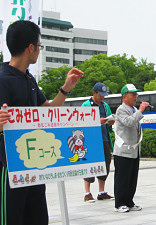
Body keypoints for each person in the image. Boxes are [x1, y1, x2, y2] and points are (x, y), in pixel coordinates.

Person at [0, 20, 83, 225]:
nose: (39, 50)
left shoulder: (29, 80)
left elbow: (46, 109)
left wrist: (65, 88)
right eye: (39, 46)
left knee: (37, 218)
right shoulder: (2, 79)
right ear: (31, 48)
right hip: (9, 167)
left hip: (34, 167)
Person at [113, 84, 149, 213]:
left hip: (133, 151)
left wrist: (137, 111)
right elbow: (129, 122)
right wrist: (140, 111)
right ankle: (119, 203)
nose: (135, 96)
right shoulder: (121, 109)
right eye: (132, 94)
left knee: (132, 178)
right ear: (124, 96)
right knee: (122, 178)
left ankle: (129, 201)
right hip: (123, 151)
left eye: (136, 94)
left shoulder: (132, 108)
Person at [81, 82, 114, 202]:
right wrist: (96, 121)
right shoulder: (86, 105)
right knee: (90, 164)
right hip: (91, 140)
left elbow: (109, 120)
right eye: (100, 94)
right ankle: (87, 193)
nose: (102, 97)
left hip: (104, 138)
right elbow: (82, 122)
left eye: (104, 95)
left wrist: (110, 122)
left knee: (105, 164)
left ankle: (101, 191)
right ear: (94, 93)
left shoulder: (105, 106)